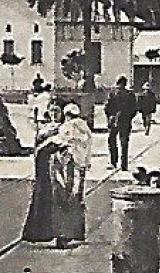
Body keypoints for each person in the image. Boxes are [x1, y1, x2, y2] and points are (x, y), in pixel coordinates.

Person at [36, 103, 91, 248]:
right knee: (75, 200)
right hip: (79, 168)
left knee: (61, 200)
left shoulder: (67, 127)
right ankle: (74, 233)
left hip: (65, 167)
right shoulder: (85, 128)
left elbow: (57, 144)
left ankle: (62, 235)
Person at [22, 103, 64, 245]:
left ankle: (46, 231)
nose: (54, 114)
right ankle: (37, 232)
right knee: (41, 195)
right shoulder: (46, 128)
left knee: (48, 196)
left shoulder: (61, 128)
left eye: (56, 112)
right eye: (52, 112)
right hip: (41, 165)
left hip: (51, 166)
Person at [104, 75, 137, 170]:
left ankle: (114, 162)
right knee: (124, 143)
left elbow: (107, 108)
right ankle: (124, 165)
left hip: (114, 121)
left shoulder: (113, 94)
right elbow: (134, 109)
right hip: (125, 121)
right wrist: (128, 117)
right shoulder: (130, 95)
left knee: (112, 141)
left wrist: (110, 117)